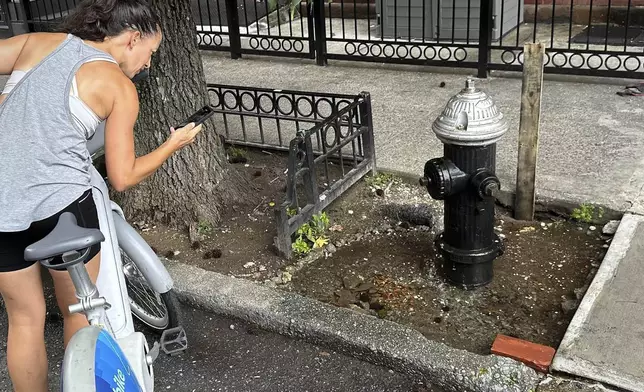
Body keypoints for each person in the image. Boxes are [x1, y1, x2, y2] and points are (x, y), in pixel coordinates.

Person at [0, 0, 203, 390]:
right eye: (150, 52)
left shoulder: (39, 42)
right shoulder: (118, 86)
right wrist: (172, 145)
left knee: (24, 320)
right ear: (132, 39)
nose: (147, 64)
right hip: (61, 210)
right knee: (79, 310)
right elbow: (122, 177)